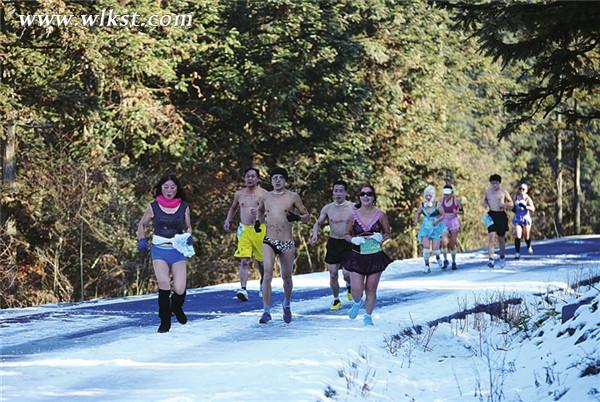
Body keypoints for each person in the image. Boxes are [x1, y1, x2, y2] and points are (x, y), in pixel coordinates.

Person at [137, 174, 194, 333]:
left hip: (177, 250)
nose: (169, 190)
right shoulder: (153, 206)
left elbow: (188, 226)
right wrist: (142, 239)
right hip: (159, 250)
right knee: (164, 284)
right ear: (161, 188)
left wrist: (189, 236)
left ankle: (176, 308)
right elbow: (142, 223)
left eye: (173, 187)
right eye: (166, 187)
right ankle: (165, 320)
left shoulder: (184, 206)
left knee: (180, 288)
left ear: (177, 189)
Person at [257, 167, 310, 324]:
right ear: (271, 181)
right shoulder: (266, 197)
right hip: (270, 240)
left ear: (285, 180)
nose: (278, 180)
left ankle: (286, 304)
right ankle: (266, 311)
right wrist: (258, 223)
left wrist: (298, 218)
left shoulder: (293, 196)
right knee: (267, 274)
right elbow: (260, 212)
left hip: (286, 242)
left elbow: (307, 216)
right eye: (275, 178)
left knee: (286, 277)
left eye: (281, 177)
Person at [344, 183, 392, 326]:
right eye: (363, 194)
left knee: (371, 288)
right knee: (357, 290)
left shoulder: (381, 215)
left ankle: (368, 316)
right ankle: (357, 302)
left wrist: (381, 238)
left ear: (374, 197)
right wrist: (353, 239)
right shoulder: (352, 216)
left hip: (375, 256)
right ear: (359, 197)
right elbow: (345, 234)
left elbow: (388, 233)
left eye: (369, 194)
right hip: (357, 256)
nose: (366, 196)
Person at [223, 167, 268, 301]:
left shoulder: (264, 194)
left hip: (259, 229)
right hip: (244, 229)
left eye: (253, 176)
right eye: (247, 176)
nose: (250, 179)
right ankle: (243, 289)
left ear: (258, 179)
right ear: (244, 178)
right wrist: (228, 220)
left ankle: (263, 282)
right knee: (244, 260)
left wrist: (260, 213)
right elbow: (233, 208)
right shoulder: (239, 194)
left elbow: (271, 211)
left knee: (261, 261)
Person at [310, 180, 354, 310]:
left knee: (346, 273)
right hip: (333, 242)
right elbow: (318, 223)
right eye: (336, 191)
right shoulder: (328, 208)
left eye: (341, 191)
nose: (338, 194)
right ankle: (336, 299)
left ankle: (349, 286)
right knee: (333, 273)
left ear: (346, 192)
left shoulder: (353, 207)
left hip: (348, 242)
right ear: (333, 192)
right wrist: (314, 234)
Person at [414, 185, 447, 273]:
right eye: (426, 195)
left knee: (436, 250)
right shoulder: (422, 205)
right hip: (425, 228)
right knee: (426, 249)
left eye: (430, 195)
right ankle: (427, 265)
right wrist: (416, 220)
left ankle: (438, 257)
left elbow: (443, 215)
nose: (428, 197)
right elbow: (417, 213)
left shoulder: (437, 204)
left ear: (433, 196)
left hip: (436, 228)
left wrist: (437, 221)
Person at [482, 174, 513, 268]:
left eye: (496, 183)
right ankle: (491, 259)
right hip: (491, 215)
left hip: (501, 215)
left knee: (501, 239)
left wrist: (503, 204)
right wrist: (485, 204)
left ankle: (502, 257)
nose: (494, 185)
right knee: (491, 236)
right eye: (492, 183)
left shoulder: (503, 192)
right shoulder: (487, 191)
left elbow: (511, 204)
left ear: (499, 183)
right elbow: (484, 201)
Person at [440, 184, 463, 270]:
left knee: (452, 243)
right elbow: (437, 211)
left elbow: (461, 211)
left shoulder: (456, 201)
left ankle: (453, 262)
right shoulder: (441, 200)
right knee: (444, 242)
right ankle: (445, 260)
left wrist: (456, 212)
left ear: (451, 193)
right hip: (444, 222)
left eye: (447, 193)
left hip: (453, 222)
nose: (446, 195)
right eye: (444, 193)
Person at [512, 183, 535, 259]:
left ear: (526, 190)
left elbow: (533, 209)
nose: (521, 190)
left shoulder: (527, 198)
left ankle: (528, 246)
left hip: (526, 219)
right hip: (518, 219)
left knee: (526, 236)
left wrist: (526, 207)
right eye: (520, 189)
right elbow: (513, 206)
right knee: (518, 235)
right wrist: (513, 208)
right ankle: (517, 253)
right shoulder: (516, 197)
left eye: (523, 189)